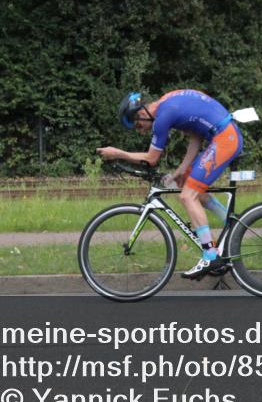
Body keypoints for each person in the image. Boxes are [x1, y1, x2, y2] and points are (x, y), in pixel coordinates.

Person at [96, 90, 242, 279]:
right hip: (224, 135)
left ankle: (211, 255)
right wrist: (182, 169)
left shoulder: (163, 117)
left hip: (225, 139)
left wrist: (117, 153)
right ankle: (233, 228)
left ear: (142, 113)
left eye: (138, 125)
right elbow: (196, 136)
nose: (140, 130)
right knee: (191, 189)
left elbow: (151, 159)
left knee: (187, 196)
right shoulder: (166, 102)